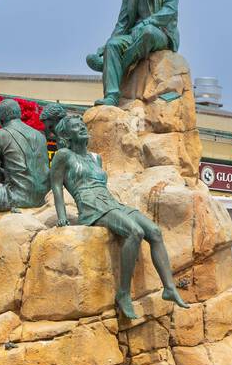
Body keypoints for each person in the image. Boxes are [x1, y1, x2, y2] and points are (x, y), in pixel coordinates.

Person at [46, 107, 189, 318]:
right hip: (91, 207)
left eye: (83, 126)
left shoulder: (96, 158)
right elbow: (56, 186)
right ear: (67, 135)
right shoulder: (63, 155)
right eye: (77, 128)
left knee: (155, 232)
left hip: (111, 202)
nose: (83, 129)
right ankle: (123, 293)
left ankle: (169, 288)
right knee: (134, 232)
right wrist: (62, 217)